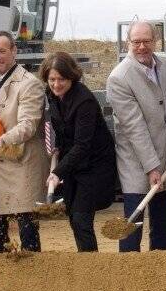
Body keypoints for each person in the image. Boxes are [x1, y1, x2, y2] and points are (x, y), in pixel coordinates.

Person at [105, 19, 166, 253]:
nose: (141, 47)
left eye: (146, 41)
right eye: (136, 42)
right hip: (138, 165)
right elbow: (134, 127)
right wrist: (151, 167)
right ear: (128, 42)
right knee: (132, 228)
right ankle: (129, 274)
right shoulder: (119, 77)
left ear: (155, 41)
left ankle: (158, 275)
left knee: (163, 228)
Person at [0, 30, 49, 253]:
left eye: (1, 51)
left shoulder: (29, 84)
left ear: (14, 51)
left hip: (23, 163)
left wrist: (0, 140)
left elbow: (28, 125)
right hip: (0, 162)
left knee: (27, 227)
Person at [43, 52, 118, 252]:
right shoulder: (53, 96)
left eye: (61, 79)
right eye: (52, 79)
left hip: (95, 165)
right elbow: (60, 127)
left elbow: (83, 145)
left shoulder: (84, 101)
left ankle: (90, 265)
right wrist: (57, 146)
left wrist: (58, 172)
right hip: (74, 163)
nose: (56, 84)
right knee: (73, 216)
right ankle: (85, 258)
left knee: (81, 217)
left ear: (71, 78)